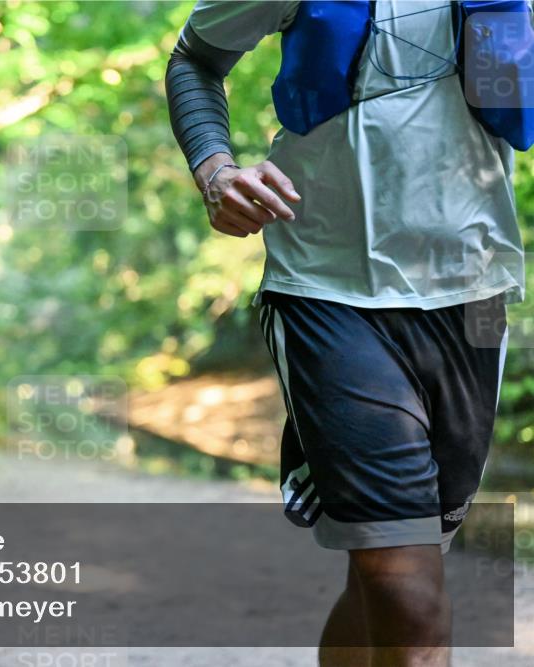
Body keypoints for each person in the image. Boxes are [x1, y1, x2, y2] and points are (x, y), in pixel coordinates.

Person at [166, 2, 527, 665]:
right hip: (327, 291)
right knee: (409, 597)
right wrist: (216, 172)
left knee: (387, 579)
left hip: (474, 299)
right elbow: (194, 58)